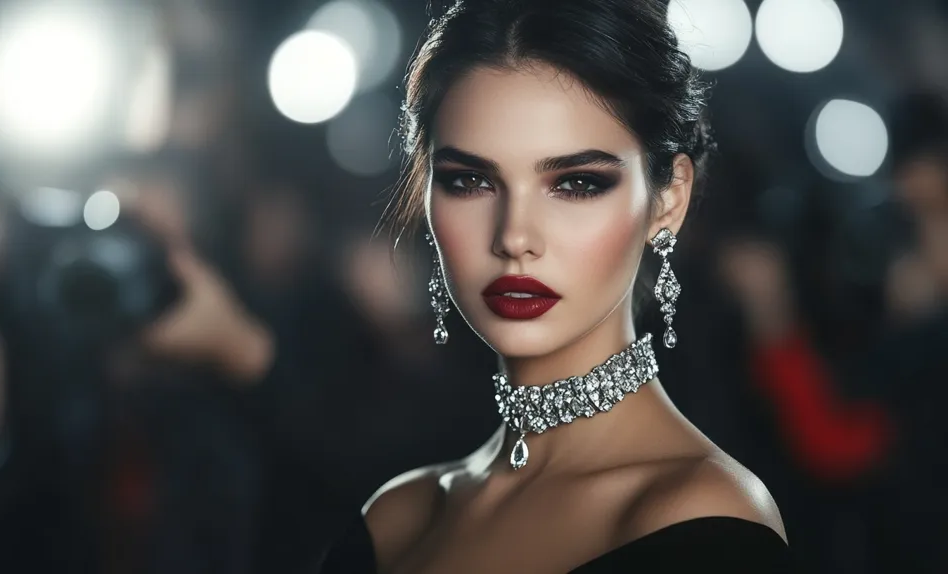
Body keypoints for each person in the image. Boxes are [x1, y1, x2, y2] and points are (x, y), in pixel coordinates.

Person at [317, 0, 790, 572]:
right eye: (470, 181)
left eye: (576, 184)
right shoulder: (396, 518)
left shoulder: (706, 519)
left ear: (668, 200)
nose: (514, 237)